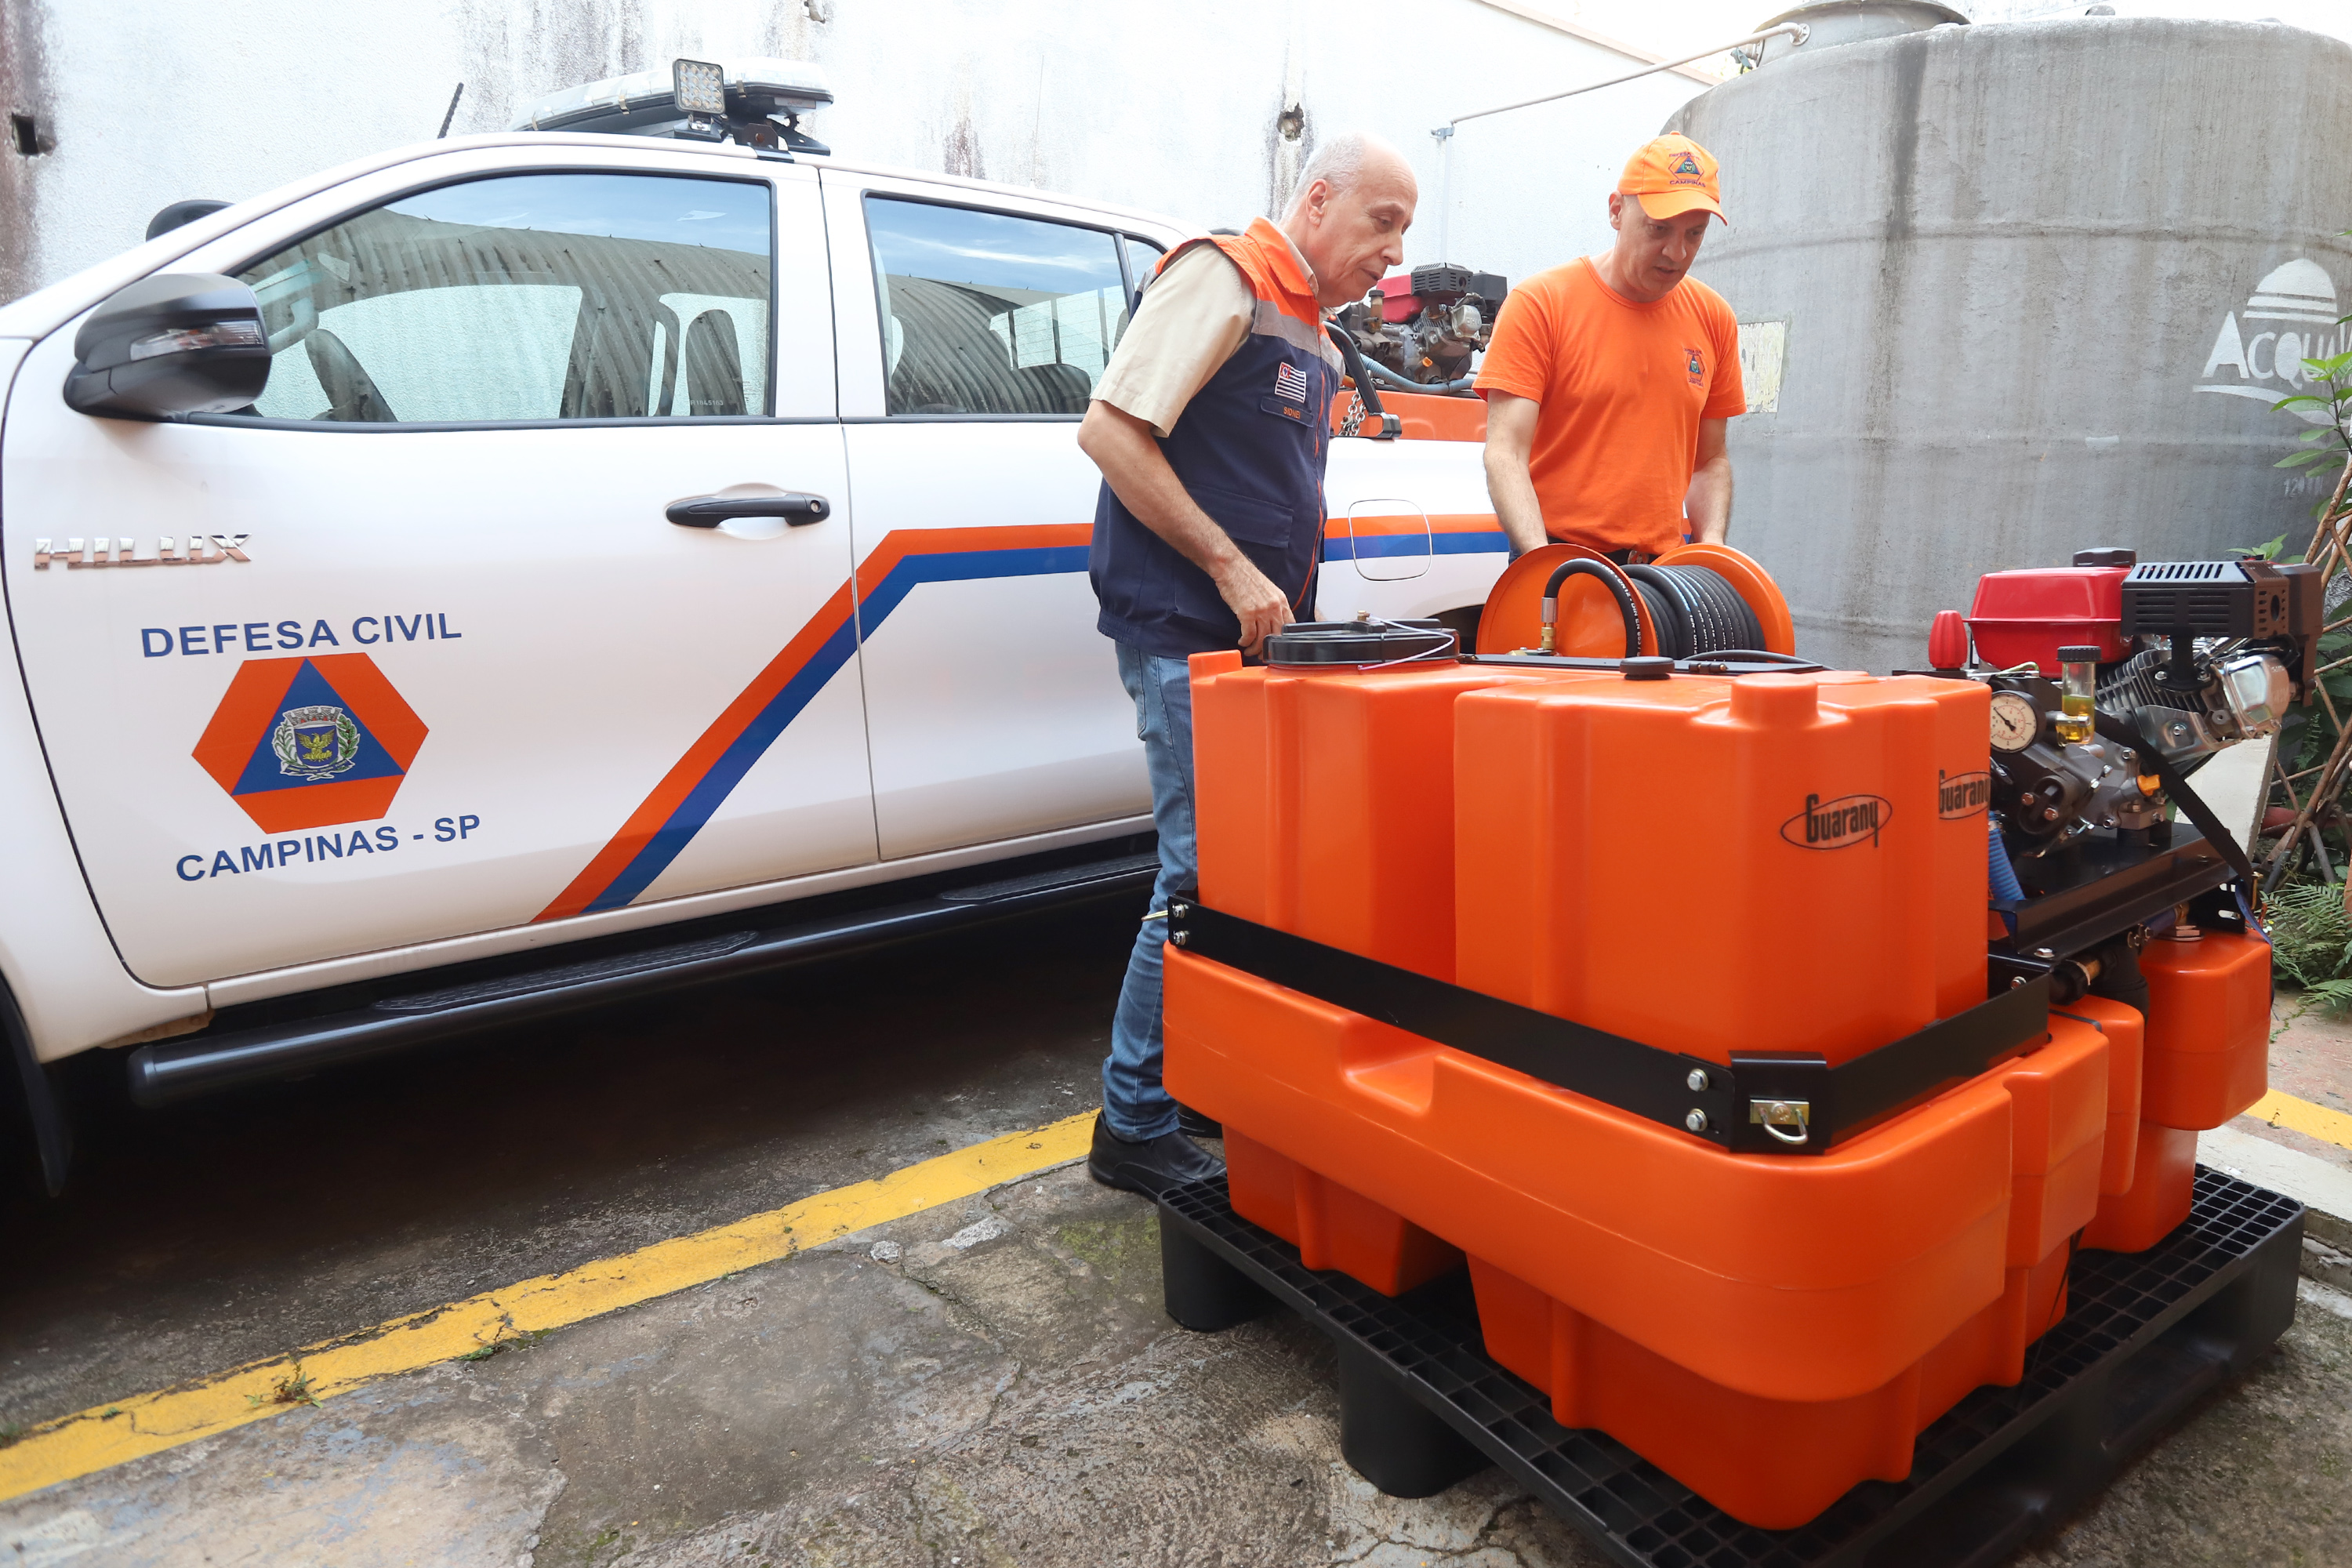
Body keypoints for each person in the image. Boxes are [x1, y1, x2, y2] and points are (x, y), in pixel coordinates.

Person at [1078, 132, 1419, 1194]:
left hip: (1247, 644)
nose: (1394, 254)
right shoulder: (1224, 278)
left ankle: (1185, 1085)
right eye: (1383, 222)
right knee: (1200, 875)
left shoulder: (1311, 327)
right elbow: (1111, 433)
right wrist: (1233, 572)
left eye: (1406, 230)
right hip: (1188, 627)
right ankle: (1131, 1123)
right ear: (1317, 200)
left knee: (1243, 873)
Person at [1477, 134, 1745, 564]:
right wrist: (1539, 563)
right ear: (1617, 211)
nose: (1676, 253)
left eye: (1694, 235)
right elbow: (1505, 452)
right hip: (1559, 557)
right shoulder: (1542, 304)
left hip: (1661, 574)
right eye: (1659, 230)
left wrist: (1711, 547)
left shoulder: (1714, 319)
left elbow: (1709, 461)